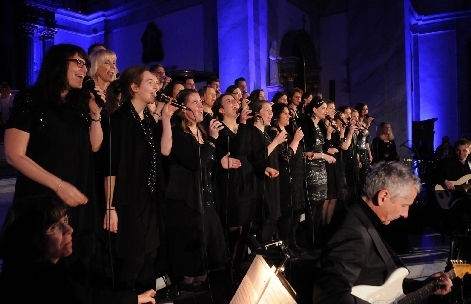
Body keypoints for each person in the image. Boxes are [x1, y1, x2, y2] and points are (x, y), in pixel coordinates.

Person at [4, 43, 103, 268]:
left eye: (86, 64)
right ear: (58, 64)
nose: (84, 69)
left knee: (75, 269)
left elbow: (94, 147)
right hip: (43, 202)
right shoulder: (31, 99)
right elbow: (13, 154)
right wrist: (60, 186)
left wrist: (95, 115)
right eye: (77, 62)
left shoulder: (78, 105)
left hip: (76, 198)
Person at [313, 161, 453, 303]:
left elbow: (381, 281)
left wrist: (425, 285)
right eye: (404, 205)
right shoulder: (351, 231)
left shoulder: (362, 220)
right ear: (383, 197)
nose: (405, 214)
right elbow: (330, 296)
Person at [0, 196, 156, 304]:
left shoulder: (51, 271)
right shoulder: (35, 285)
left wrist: (135, 299)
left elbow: (87, 297)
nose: (69, 229)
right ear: (30, 238)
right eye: (54, 227)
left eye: (66, 220)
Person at [161, 89, 237, 291]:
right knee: (190, 266)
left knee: (206, 264)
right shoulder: (178, 133)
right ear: (183, 109)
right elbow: (196, 161)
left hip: (207, 201)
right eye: (194, 103)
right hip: (187, 204)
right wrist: (212, 140)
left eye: (200, 102)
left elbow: (209, 161)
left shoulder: (201, 131)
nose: (199, 106)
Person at [103, 66, 161, 291]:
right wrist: (110, 207)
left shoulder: (148, 119)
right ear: (134, 88)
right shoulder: (118, 120)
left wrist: (163, 118)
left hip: (149, 198)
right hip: (127, 200)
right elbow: (111, 166)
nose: (155, 87)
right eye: (150, 82)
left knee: (150, 256)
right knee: (133, 259)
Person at [249, 100, 287, 243]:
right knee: (267, 218)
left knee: (273, 217)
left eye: (271, 111)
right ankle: (260, 255)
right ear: (257, 113)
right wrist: (276, 142)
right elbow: (259, 157)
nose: (271, 114)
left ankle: (263, 252)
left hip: (271, 180)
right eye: (267, 111)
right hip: (261, 183)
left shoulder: (264, 133)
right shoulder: (253, 132)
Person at [300, 98, 336, 248]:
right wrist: (324, 156)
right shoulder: (306, 124)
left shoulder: (320, 125)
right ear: (314, 110)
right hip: (311, 168)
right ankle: (310, 238)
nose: (325, 111)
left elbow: (323, 147)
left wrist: (328, 134)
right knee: (312, 204)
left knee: (321, 202)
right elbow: (305, 152)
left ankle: (317, 234)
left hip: (321, 168)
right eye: (323, 108)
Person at [270, 103, 305, 253]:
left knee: (296, 211)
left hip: (296, 175)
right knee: (287, 213)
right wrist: (296, 140)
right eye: (285, 113)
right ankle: (284, 245)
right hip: (284, 177)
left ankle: (293, 241)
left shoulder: (289, 131)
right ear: (277, 115)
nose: (289, 116)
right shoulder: (274, 132)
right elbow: (285, 156)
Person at [433, 138, 471, 219]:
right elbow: (432, 175)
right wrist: (444, 181)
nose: (461, 153)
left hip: (465, 196)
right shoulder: (446, 162)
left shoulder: (469, 166)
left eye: (464, 150)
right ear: (454, 150)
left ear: (469, 151)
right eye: (458, 150)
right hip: (451, 197)